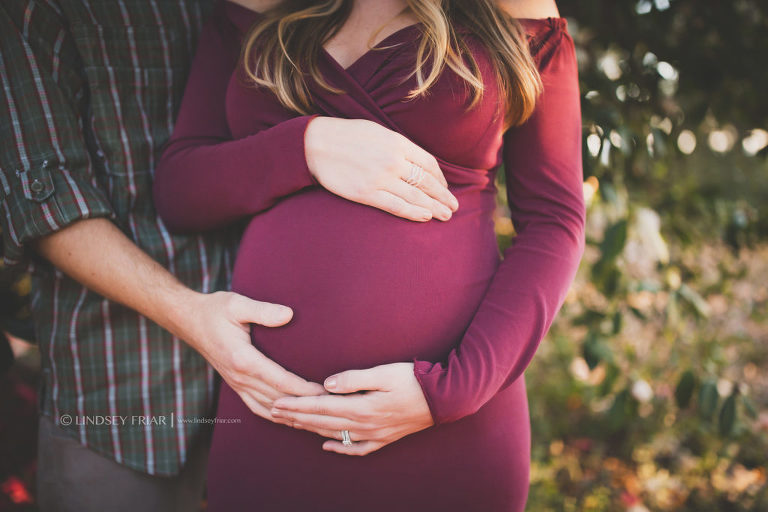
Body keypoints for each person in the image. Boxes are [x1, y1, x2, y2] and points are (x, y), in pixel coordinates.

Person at [0, 1, 455, 509]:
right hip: (128, 391)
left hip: (299, 408)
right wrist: (191, 314)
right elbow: (44, 201)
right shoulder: (38, 10)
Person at [154, 0, 584, 510]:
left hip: (447, 421)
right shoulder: (259, 7)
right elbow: (181, 192)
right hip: (275, 412)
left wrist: (450, 392)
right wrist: (305, 147)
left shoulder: (510, 6)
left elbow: (555, 221)